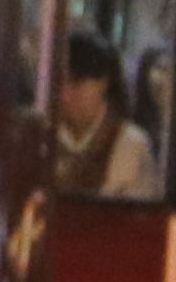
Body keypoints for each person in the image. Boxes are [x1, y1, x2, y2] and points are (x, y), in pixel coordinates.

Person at [51, 30, 161, 199]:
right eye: (60, 82)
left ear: (103, 82)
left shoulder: (130, 145)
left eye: (77, 83)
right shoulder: (41, 138)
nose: (65, 94)